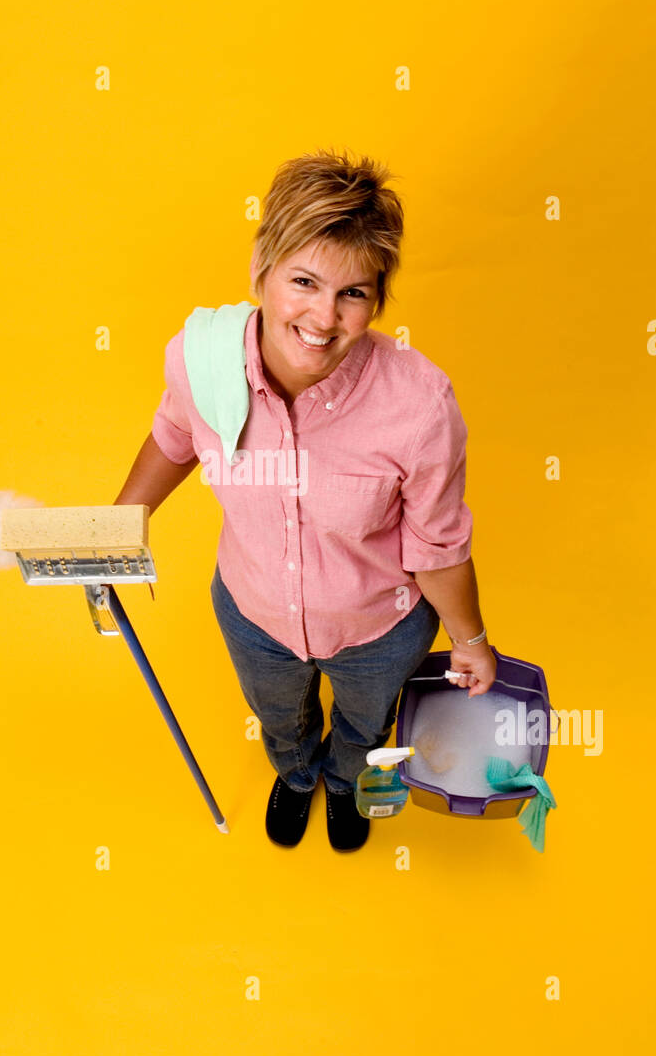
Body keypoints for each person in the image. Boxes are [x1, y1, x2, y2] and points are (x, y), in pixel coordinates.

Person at [114, 148, 496, 853]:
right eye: (303, 281)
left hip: (378, 631)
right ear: (261, 266)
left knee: (365, 723)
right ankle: (294, 776)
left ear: (376, 299)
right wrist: (113, 534)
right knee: (278, 718)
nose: (324, 316)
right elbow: (173, 434)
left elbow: (437, 547)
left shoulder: (417, 407)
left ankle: (347, 782)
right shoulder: (199, 358)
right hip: (253, 611)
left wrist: (468, 640)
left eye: (353, 293)